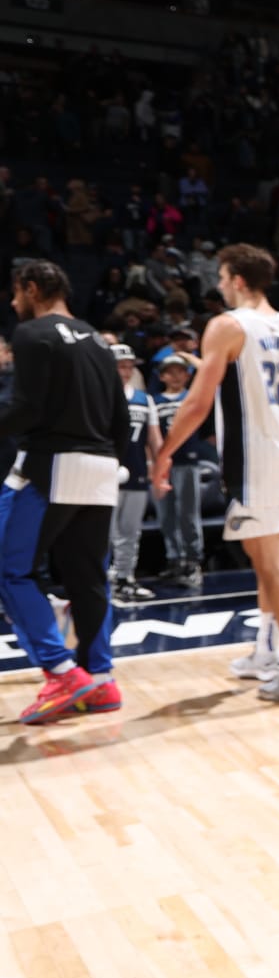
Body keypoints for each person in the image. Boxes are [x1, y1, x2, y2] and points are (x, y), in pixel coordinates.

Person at [151, 244, 279, 702]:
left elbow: (196, 402)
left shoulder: (228, 326)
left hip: (257, 458)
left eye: (223, 277)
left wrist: (165, 451)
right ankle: (266, 650)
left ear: (239, 281)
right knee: (262, 552)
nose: (219, 285)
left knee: (272, 560)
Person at [1, 261, 132, 724]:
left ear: (32, 289)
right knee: (88, 577)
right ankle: (100, 679)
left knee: (9, 569)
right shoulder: (99, 339)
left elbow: (26, 408)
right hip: (100, 468)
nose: (13, 304)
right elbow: (122, 416)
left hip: (53, 464)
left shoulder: (32, 334)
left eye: (16, 294)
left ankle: (60, 671)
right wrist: (109, 461)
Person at [108, 343, 161, 604]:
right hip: (105, 473)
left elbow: (154, 438)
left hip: (138, 470)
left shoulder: (144, 398)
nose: (126, 371)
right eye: (121, 366)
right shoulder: (99, 396)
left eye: (129, 366)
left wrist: (159, 467)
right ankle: (103, 580)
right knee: (105, 533)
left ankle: (125, 578)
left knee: (131, 530)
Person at [150, 354, 205, 587]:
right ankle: (174, 559)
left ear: (187, 375)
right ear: (161, 376)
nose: (175, 376)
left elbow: (207, 374)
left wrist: (187, 356)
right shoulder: (154, 401)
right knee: (166, 514)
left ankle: (193, 561)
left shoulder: (193, 397)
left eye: (180, 371)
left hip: (187, 461)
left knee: (188, 513)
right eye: (170, 372)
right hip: (163, 463)